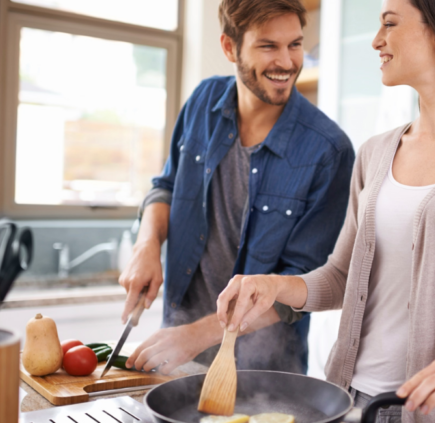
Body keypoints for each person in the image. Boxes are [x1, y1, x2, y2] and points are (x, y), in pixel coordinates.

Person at [216, 0, 435, 421]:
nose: (376, 40)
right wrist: (275, 286)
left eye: (389, 24)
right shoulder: (376, 152)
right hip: (345, 403)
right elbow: (340, 278)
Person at [119, 0, 354, 376]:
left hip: (264, 371)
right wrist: (146, 245)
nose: (288, 62)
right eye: (268, 46)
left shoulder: (329, 150)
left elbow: (302, 286)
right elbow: (165, 187)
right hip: (178, 348)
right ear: (230, 47)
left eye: (294, 44)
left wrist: (199, 334)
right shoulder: (202, 101)